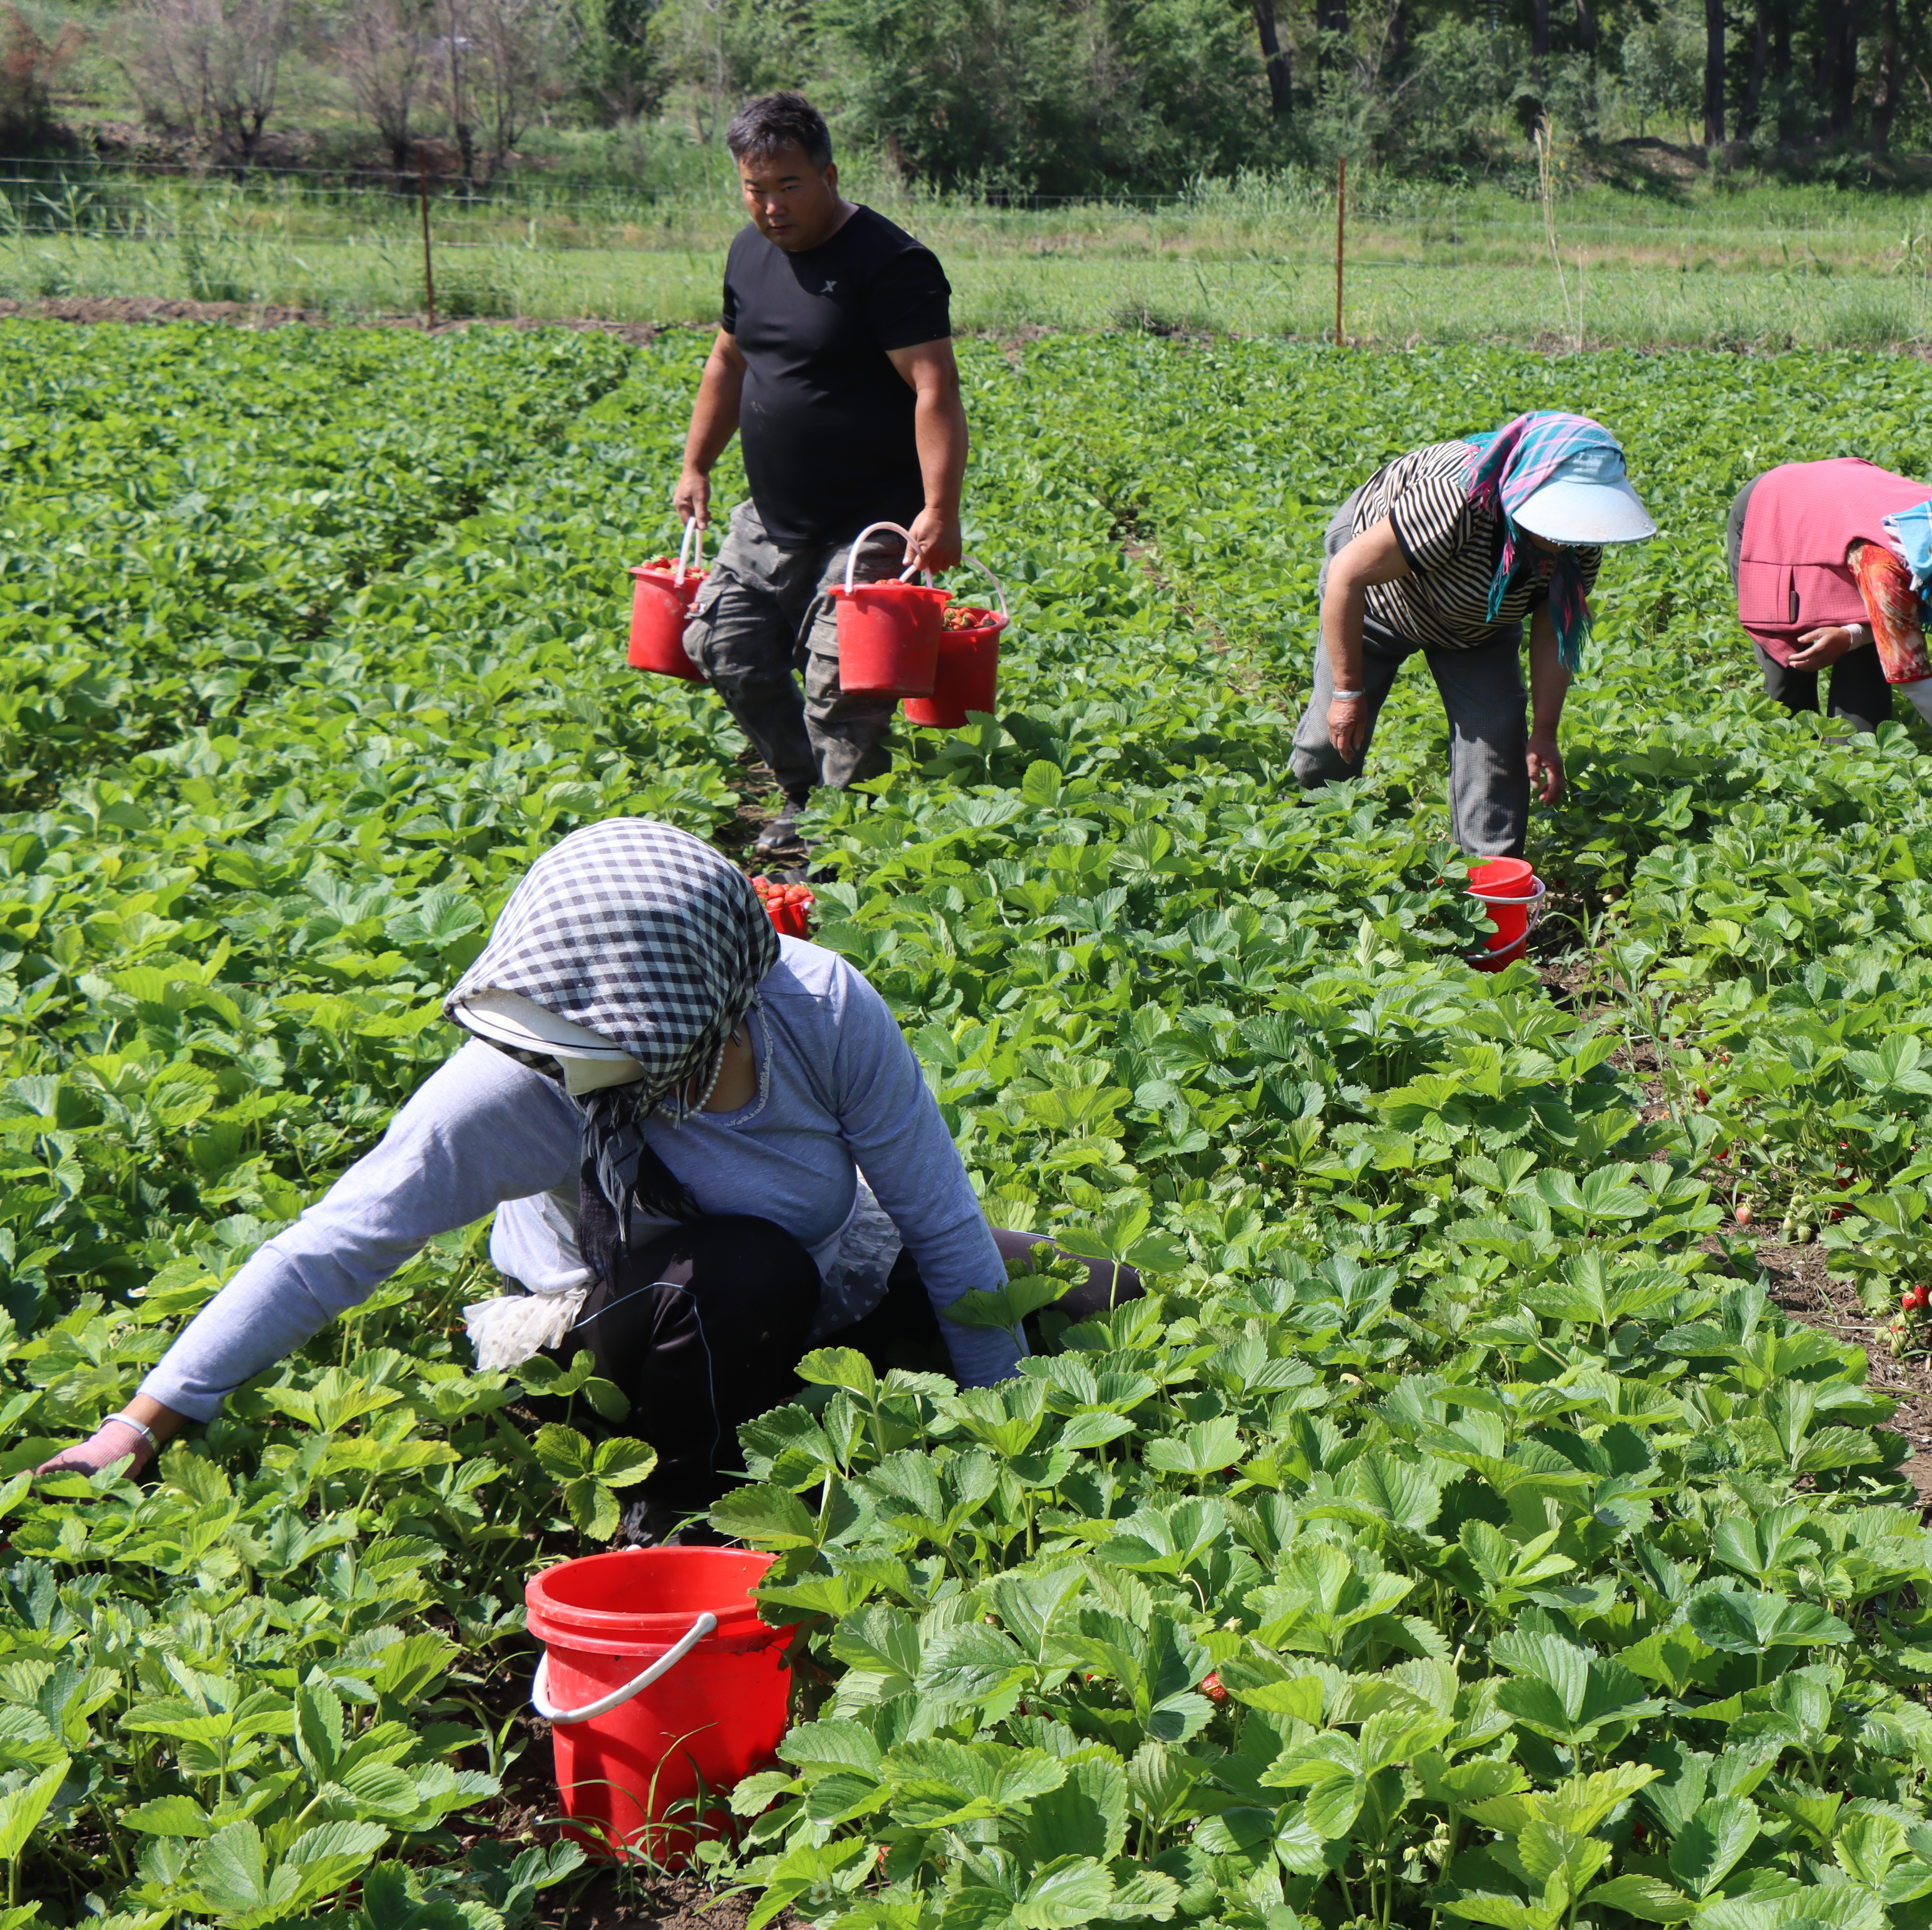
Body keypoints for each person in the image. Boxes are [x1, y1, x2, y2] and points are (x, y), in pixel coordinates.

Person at [32, 820, 1131, 1532]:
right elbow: (332, 1244)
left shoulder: (822, 1011)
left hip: (831, 1255)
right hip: (628, 1320)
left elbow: (938, 1224)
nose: (562, 1056)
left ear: (700, 1004)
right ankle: (682, 1501)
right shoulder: (520, 1080)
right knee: (742, 1278)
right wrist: (143, 1423)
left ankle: (827, 1392)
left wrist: (1007, 1436)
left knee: (1094, 1292)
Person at [671, 92, 968, 867]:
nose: (771, 207)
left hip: (870, 520)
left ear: (829, 174)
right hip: (773, 511)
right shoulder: (747, 253)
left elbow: (933, 386)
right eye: (754, 188)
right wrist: (697, 462)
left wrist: (940, 509)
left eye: (789, 186)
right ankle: (803, 791)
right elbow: (728, 360)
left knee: (844, 689)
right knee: (722, 644)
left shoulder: (890, 264)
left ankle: (850, 841)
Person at [1290, 412, 1657, 859]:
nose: (1566, 535)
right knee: (1330, 745)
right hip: (1380, 596)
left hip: (1479, 621)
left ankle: (1491, 884)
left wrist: (1544, 733)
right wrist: (1348, 693)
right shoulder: (1456, 498)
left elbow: (1549, 634)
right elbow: (1349, 574)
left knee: (1497, 748)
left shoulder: (1579, 542)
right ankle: (1310, 843)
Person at [1725, 459, 1932, 740]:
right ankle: (1790, 755)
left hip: (1839, 510)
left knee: (1866, 705)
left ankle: (1853, 760)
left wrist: (1849, 637)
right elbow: (1916, 684)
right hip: (1771, 508)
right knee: (1793, 670)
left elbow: (1891, 625)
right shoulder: (1887, 562)